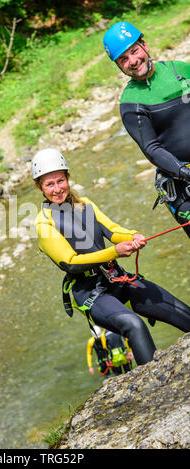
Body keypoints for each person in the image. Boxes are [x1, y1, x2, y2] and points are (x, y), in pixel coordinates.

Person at [32, 148, 190, 366]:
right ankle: (152, 382)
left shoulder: (85, 205)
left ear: (68, 178)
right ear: (39, 187)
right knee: (134, 325)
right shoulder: (44, 223)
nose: (58, 189)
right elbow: (70, 262)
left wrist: (132, 235)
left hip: (116, 277)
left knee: (177, 309)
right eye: (50, 184)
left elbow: (113, 231)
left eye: (61, 181)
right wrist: (114, 252)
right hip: (90, 293)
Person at [103, 22, 190, 237]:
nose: (133, 61)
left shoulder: (180, 69)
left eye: (134, 51)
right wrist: (185, 172)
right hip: (182, 186)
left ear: (145, 46)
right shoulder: (130, 102)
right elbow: (151, 148)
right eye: (123, 59)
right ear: (118, 66)